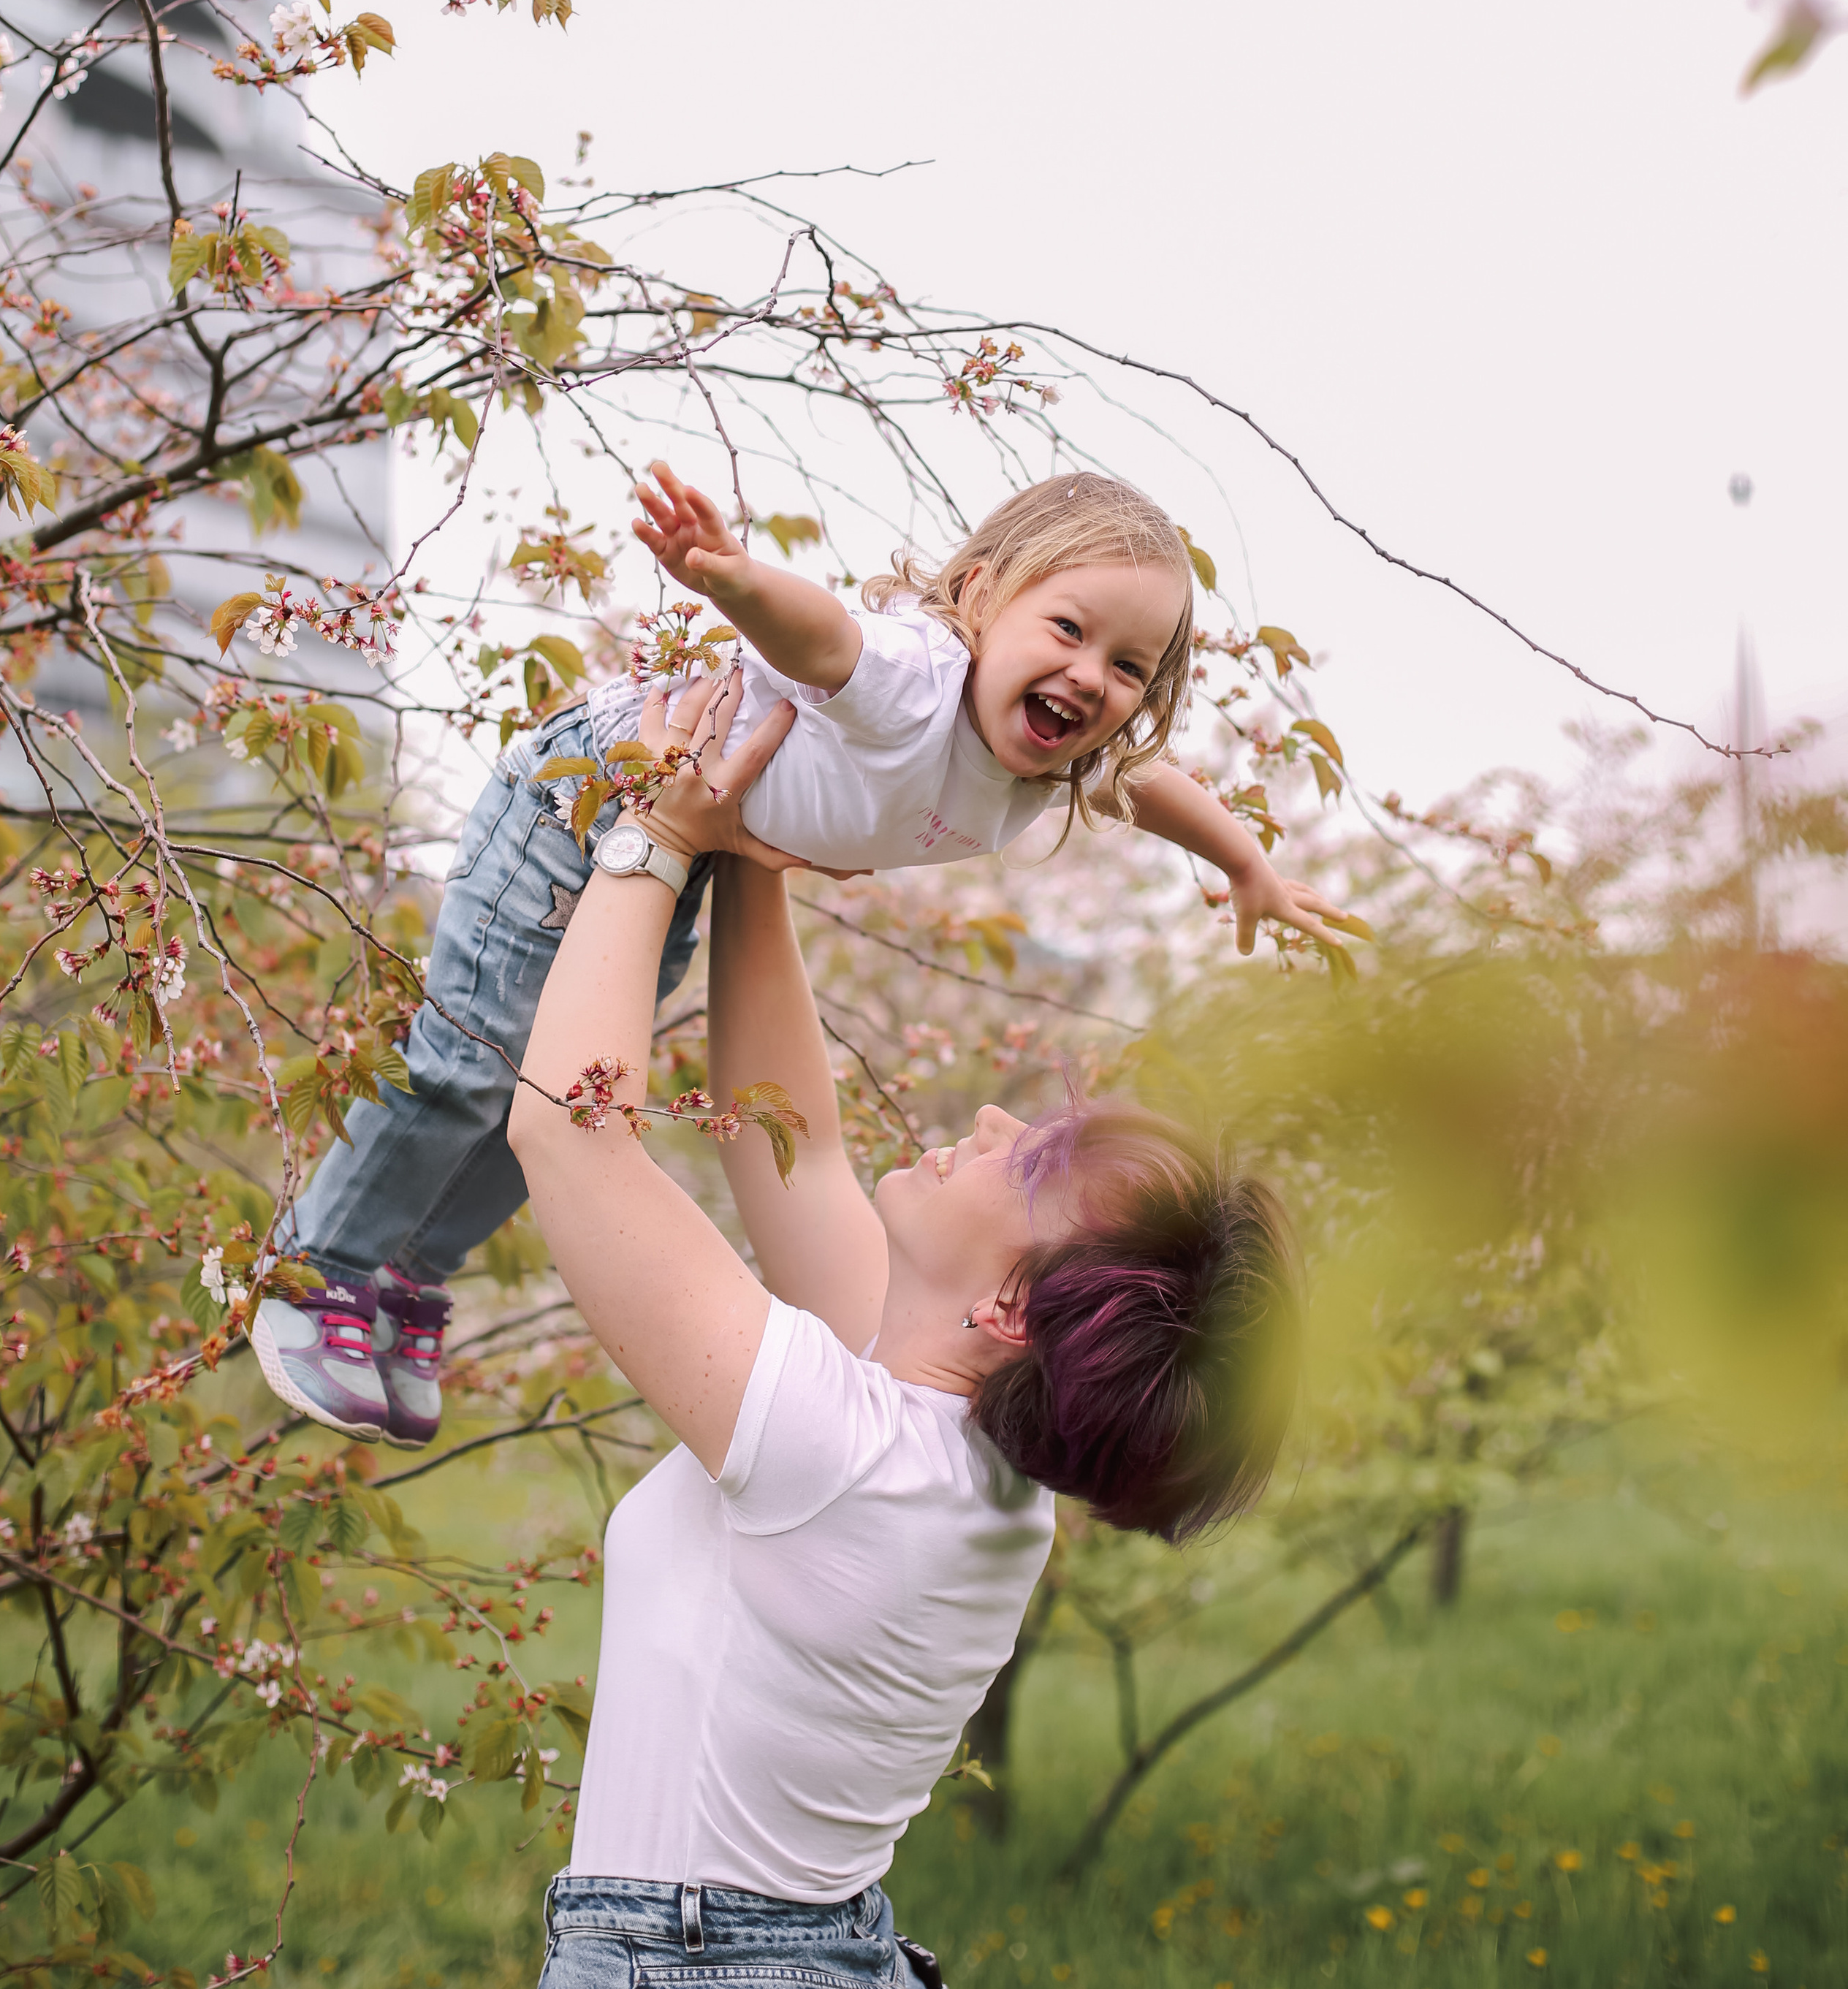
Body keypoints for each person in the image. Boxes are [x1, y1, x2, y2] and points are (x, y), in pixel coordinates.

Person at [507, 675, 1303, 1989]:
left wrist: (659, 835)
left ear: (1011, 1311)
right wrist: (755, 850)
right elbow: (793, 1147)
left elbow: (571, 1136)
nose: (991, 1120)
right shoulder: (947, 1459)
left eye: (1030, 1160)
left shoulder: (850, 1457)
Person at [249, 468, 1347, 1448]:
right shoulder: (919, 675)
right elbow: (822, 639)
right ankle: (319, 1268)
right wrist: (730, 579)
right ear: (980, 598)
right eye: (1067, 628)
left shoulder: (1053, 764)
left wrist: (1247, 864)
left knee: (547, 1092)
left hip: (690, 854)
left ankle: (408, 1270)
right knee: (473, 1064)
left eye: (1128, 667)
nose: (1090, 675)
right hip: (589, 804)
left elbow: (1149, 786)